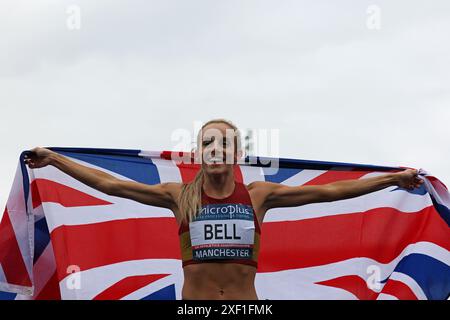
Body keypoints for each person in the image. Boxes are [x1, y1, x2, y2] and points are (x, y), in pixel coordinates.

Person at [24, 118, 423, 300]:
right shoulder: (179, 196)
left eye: (224, 144)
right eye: (208, 144)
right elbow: (111, 185)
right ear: (200, 153)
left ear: (236, 153)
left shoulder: (258, 196)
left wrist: (391, 180)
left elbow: (333, 192)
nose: (216, 150)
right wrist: (56, 160)